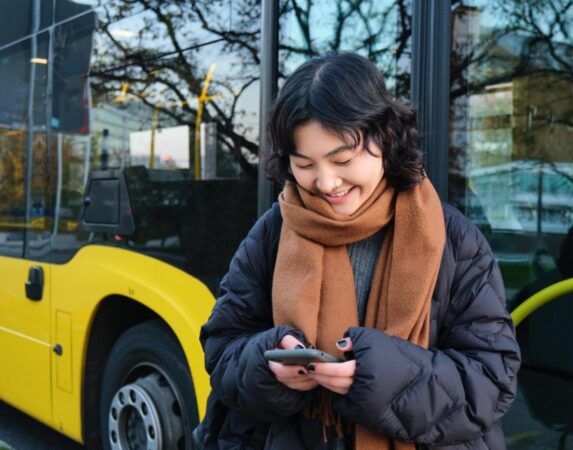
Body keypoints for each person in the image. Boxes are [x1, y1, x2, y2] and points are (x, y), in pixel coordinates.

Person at [194, 52, 520, 450]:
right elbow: (223, 348)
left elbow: (491, 380)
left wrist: (379, 376)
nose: (327, 182)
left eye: (342, 159)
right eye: (304, 164)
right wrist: (267, 364)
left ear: (384, 137)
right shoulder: (273, 232)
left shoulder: (454, 239)